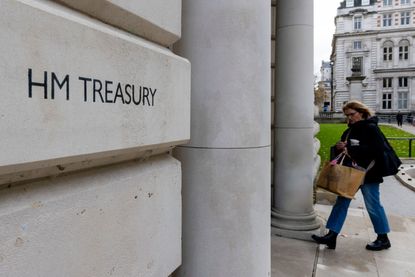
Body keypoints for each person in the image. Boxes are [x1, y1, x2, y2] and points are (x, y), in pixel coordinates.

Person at [312, 100, 391, 251]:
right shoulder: (349, 131)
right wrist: (339, 147)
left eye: (352, 114)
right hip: (350, 174)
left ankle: (383, 238)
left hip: (369, 174)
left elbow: (378, 149)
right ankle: (332, 236)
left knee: (373, 206)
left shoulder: (371, 128)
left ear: (361, 112)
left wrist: (352, 148)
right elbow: (343, 151)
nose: (349, 118)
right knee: (341, 203)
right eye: (347, 115)